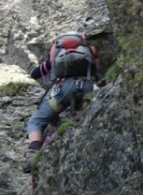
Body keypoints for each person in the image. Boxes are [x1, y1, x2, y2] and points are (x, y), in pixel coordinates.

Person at [25, 28, 100, 165]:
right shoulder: (88, 48)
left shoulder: (57, 50)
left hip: (61, 90)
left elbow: (35, 74)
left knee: (36, 121)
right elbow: (96, 69)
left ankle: (33, 153)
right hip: (87, 86)